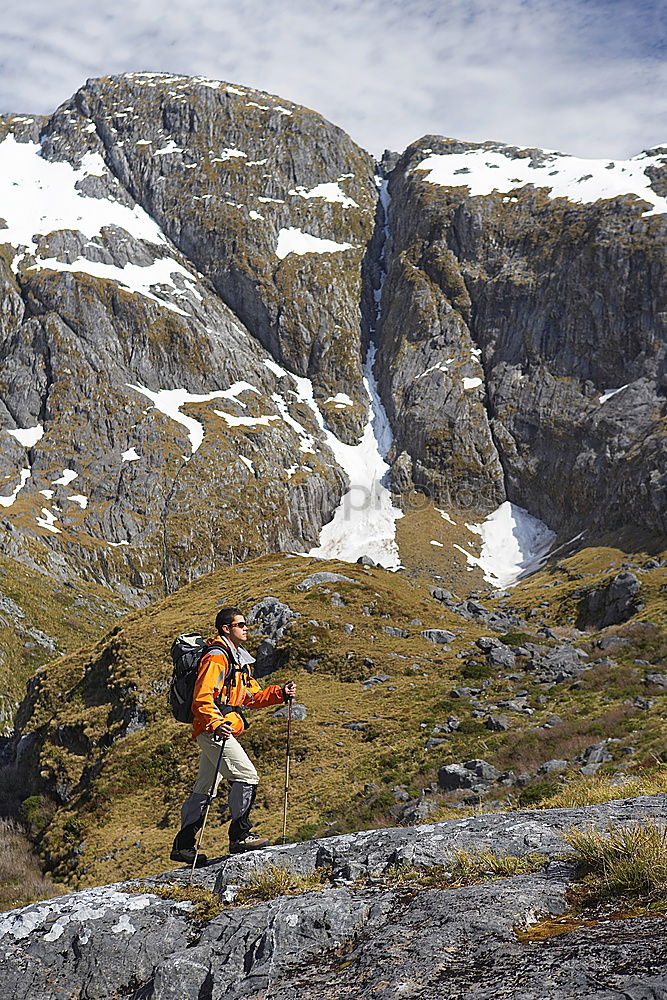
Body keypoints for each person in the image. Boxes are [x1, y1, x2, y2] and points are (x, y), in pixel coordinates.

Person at [171, 606, 296, 864]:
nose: (246, 627)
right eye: (240, 624)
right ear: (226, 629)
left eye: (245, 623)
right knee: (247, 775)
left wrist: (280, 694)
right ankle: (240, 836)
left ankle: (182, 847)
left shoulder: (237, 659)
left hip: (215, 727)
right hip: (213, 729)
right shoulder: (217, 657)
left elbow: (251, 697)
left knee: (204, 789)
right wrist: (216, 723)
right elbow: (202, 697)